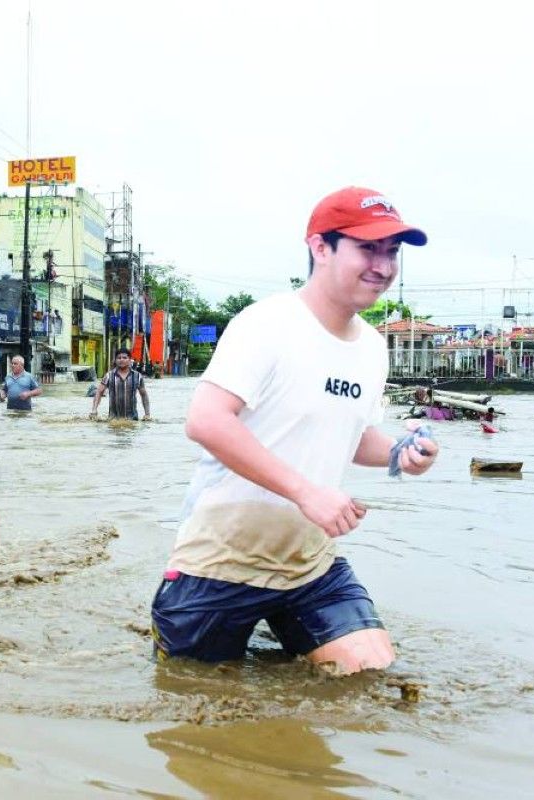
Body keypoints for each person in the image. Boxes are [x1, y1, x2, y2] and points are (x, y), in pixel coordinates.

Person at [151, 186, 440, 675]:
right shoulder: (267, 324)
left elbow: (353, 434)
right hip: (219, 565)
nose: (384, 266)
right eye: (368, 247)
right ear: (320, 247)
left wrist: (401, 454)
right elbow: (205, 420)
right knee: (199, 701)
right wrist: (306, 493)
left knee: (368, 677)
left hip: (310, 564)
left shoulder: (372, 347)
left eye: (392, 252)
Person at [90, 347, 151, 420]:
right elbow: (99, 392)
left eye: (125, 358)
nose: (121, 360)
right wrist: (94, 410)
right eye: (119, 358)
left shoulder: (137, 376)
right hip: (113, 420)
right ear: (115, 360)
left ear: (129, 360)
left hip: (132, 420)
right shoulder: (109, 376)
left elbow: (144, 395)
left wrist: (147, 414)